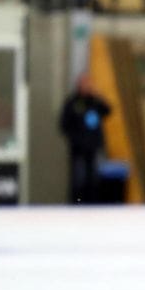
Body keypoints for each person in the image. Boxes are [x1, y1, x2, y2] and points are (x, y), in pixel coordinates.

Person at [60, 74, 111, 204]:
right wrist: (76, 139)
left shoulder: (94, 101)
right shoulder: (72, 102)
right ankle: (76, 203)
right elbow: (64, 125)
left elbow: (108, 110)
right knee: (78, 178)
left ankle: (92, 204)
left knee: (92, 177)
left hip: (93, 147)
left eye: (88, 84)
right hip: (78, 148)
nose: (86, 87)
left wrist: (97, 95)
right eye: (84, 84)